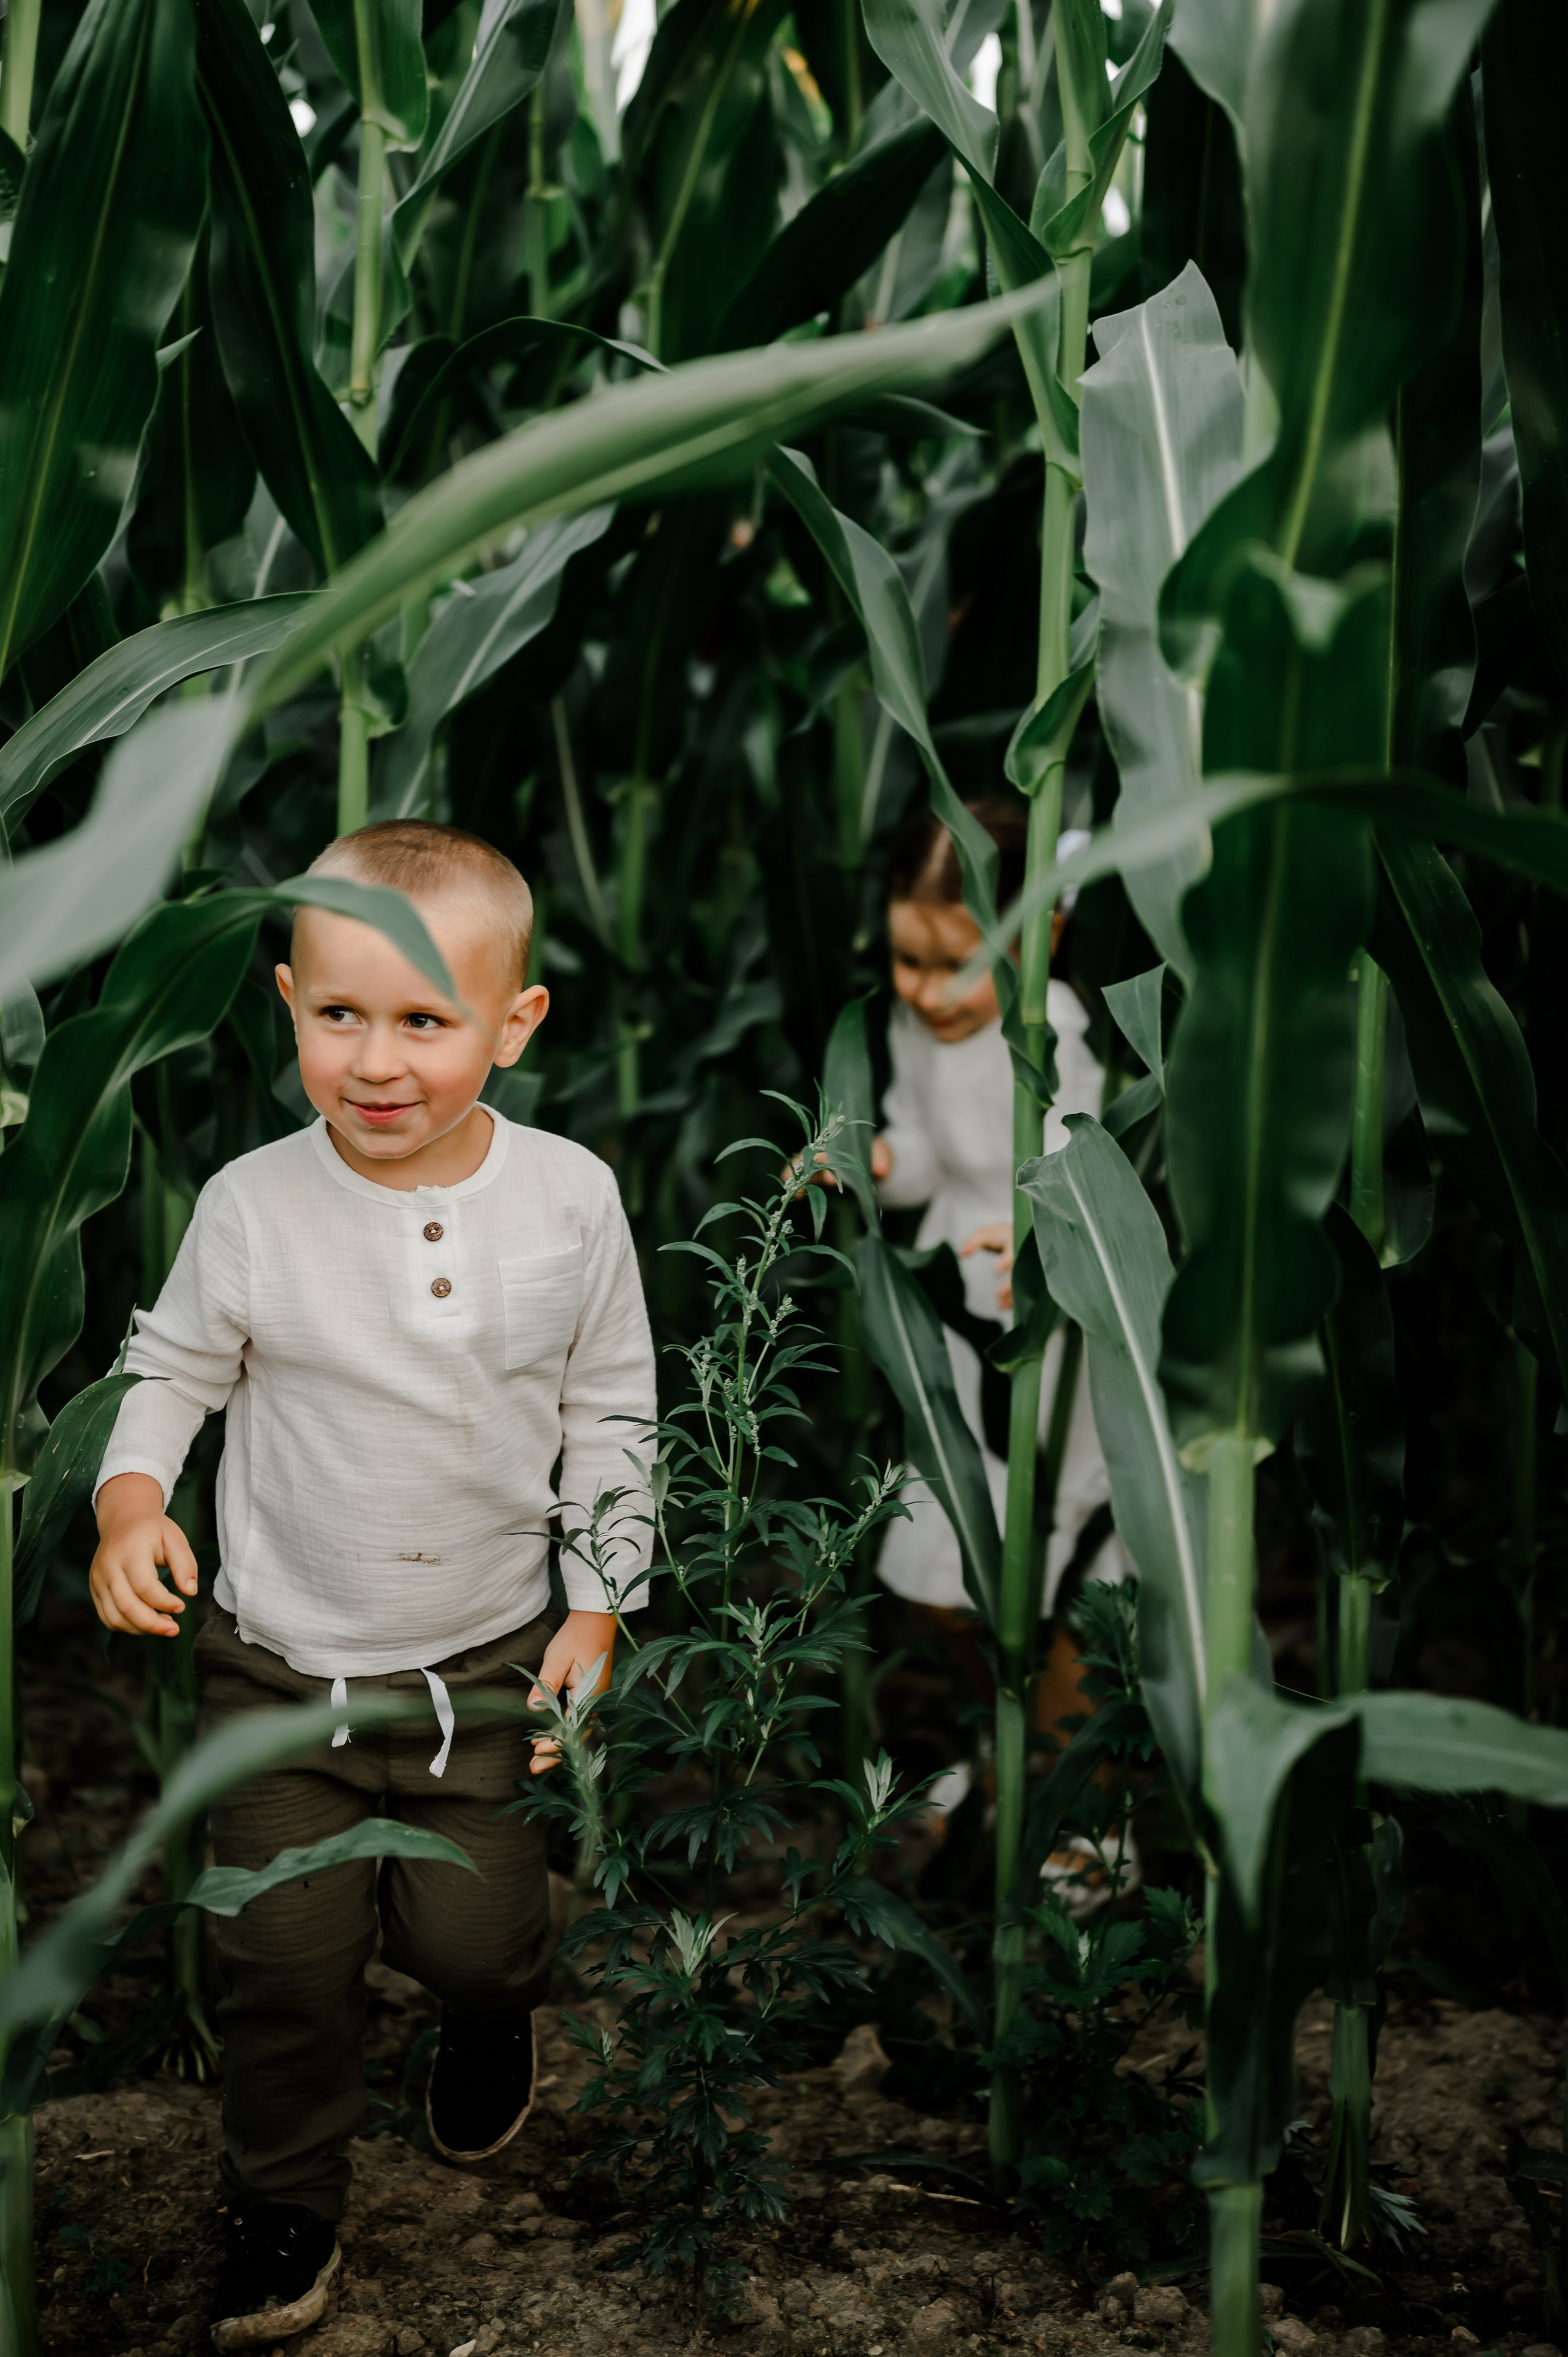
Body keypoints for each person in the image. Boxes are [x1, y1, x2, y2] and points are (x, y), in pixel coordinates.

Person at [89, 821, 655, 2353]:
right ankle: (286, 2207)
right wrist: (131, 1499)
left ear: (514, 1024)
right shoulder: (254, 1205)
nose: (379, 1060)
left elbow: (610, 1413)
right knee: (280, 1963)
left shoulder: (569, 1200)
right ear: (287, 1001)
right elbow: (171, 1371)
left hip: (486, 1661)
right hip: (279, 1674)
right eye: (340, 1014)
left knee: (480, 1937)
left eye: (426, 1020)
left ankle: (485, 2019)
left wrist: (596, 1607)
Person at [872, 801, 1133, 1887]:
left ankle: (1091, 1832)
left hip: (1056, 1342)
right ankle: (1003, 1748)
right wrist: (882, 1162)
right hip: (956, 1330)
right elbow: (926, 1157)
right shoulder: (908, 1032)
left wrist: (1048, 1241)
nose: (926, 992)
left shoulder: (1061, 1040)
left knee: (1062, 1581)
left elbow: (1105, 1187)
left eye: (957, 965)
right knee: (946, 1574)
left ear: (1040, 940)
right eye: (905, 960)